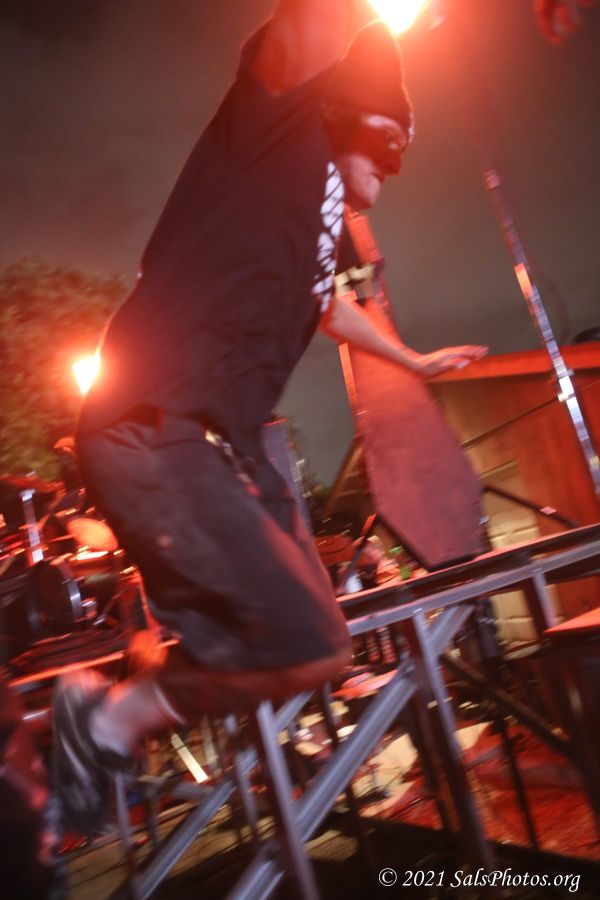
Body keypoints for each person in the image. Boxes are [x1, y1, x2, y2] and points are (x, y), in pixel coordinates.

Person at [52, 1, 493, 834]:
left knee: (320, 644)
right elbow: (312, 24)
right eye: (390, 141)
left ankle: (132, 697)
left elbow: (327, 306)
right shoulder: (279, 121)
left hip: (225, 446)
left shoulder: (319, 216)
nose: (394, 168)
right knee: (298, 641)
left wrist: (412, 360)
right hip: (150, 425)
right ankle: (105, 723)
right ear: (352, 112)